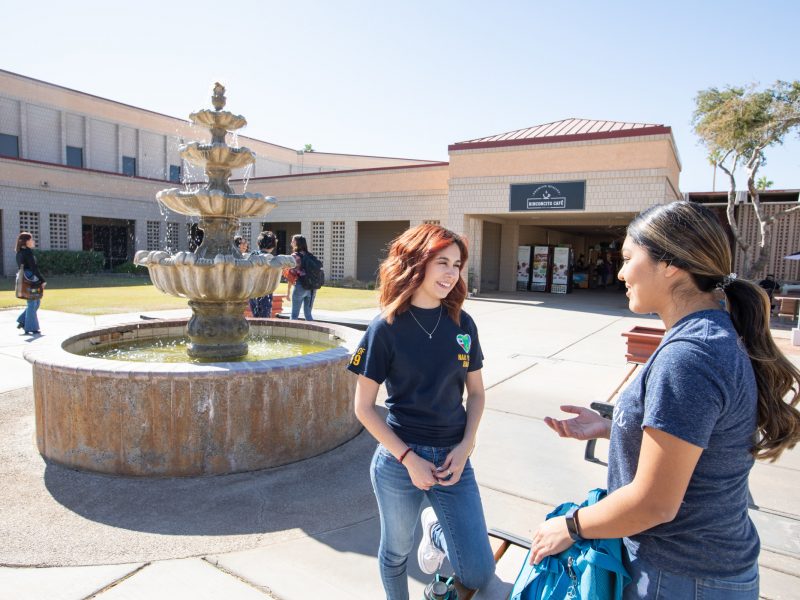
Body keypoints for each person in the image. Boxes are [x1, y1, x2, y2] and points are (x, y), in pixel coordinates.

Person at [530, 201, 800, 599]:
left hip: (679, 577)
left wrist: (569, 526)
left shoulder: (689, 356)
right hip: (699, 571)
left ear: (670, 264)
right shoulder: (710, 335)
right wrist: (611, 427)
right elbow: (694, 440)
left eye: (627, 258)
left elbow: (654, 504)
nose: (620, 272)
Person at [347, 224, 495, 599]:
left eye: (457, 265)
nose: (452, 273)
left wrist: (466, 446)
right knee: (396, 553)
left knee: (478, 571)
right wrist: (408, 458)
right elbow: (363, 407)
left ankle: (435, 531)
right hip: (400, 461)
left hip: (452, 459)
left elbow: (476, 393)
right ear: (416, 263)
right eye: (442, 262)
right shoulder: (385, 327)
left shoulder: (464, 324)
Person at [15, 232, 46, 335]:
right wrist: (42, 280)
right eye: (31, 239)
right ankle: (31, 328)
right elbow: (34, 268)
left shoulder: (19, 252)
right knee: (33, 303)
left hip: (24, 279)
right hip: (31, 280)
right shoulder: (28, 252)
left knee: (35, 302)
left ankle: (23, 320)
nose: (33, 241)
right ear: (26, 241)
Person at [285, 234, 316, 321]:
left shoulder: (294, 256)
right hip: (312, 288)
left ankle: (291, 334)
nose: (291, 243)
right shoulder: (310, 255)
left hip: (300, 286)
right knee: (308, 315)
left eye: (293, 241)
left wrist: (288, 292)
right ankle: (312, 334)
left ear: (297, 243)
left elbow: (291, 275)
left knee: (294, 315)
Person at [249, 230, 277, 318]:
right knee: (265, 319)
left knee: (255, 316)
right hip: (266, 291)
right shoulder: (272, 259)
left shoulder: (253, 255)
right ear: (273, 246)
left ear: (259, 243)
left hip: (252, 291)